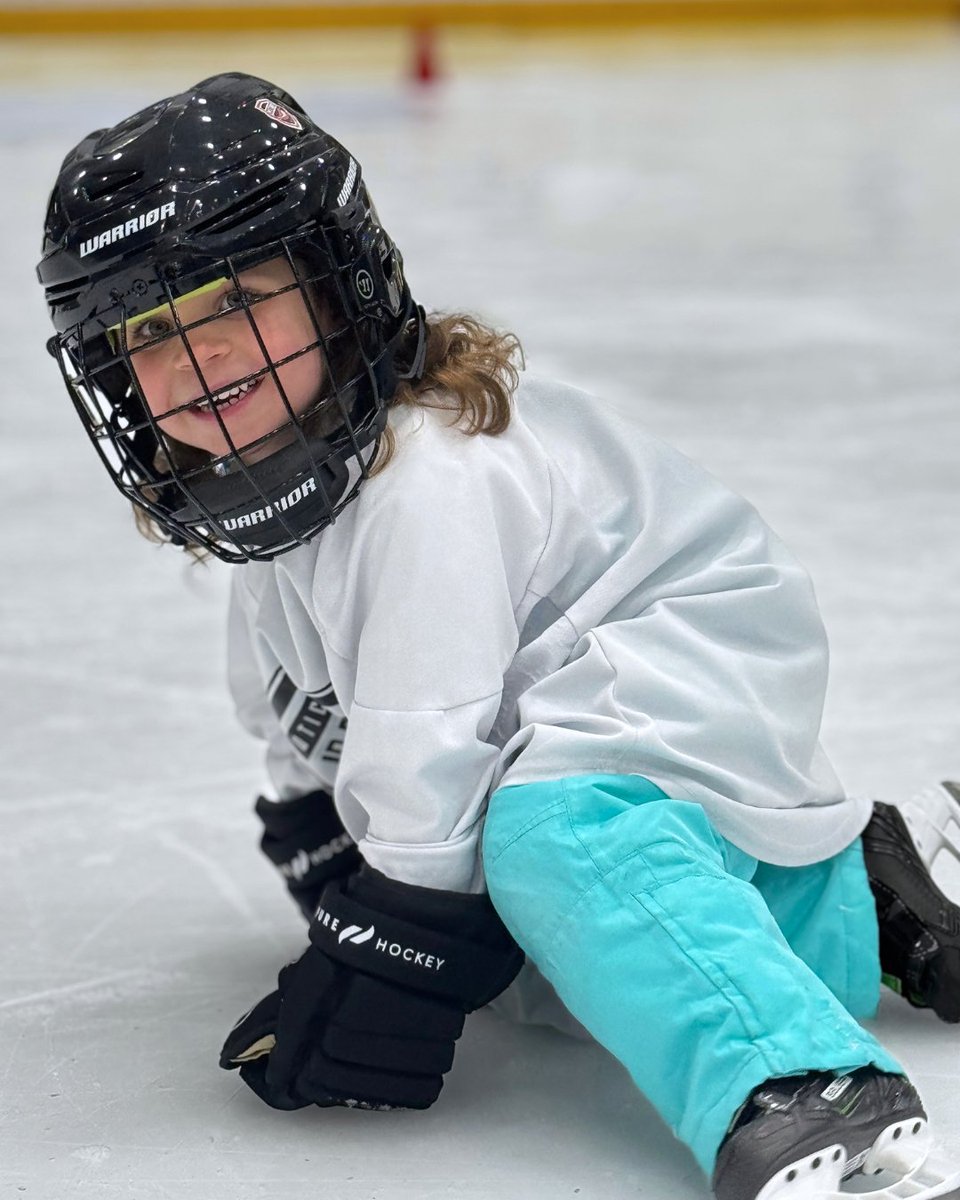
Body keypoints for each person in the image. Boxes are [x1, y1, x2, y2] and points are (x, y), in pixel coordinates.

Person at [37, 71, 960, 1200]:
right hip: (546, 700)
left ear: (336, 284)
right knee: (557, 947)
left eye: (235, 300)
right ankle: (847, 904)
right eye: (149, 330)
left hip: (679, 642)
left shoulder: (429, 481)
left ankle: (807, 1082)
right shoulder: (285, 499)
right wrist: (319, 833)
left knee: (550, 844)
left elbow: (425, 774)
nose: (198, 359)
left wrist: (389, 952)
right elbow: (299, 703)